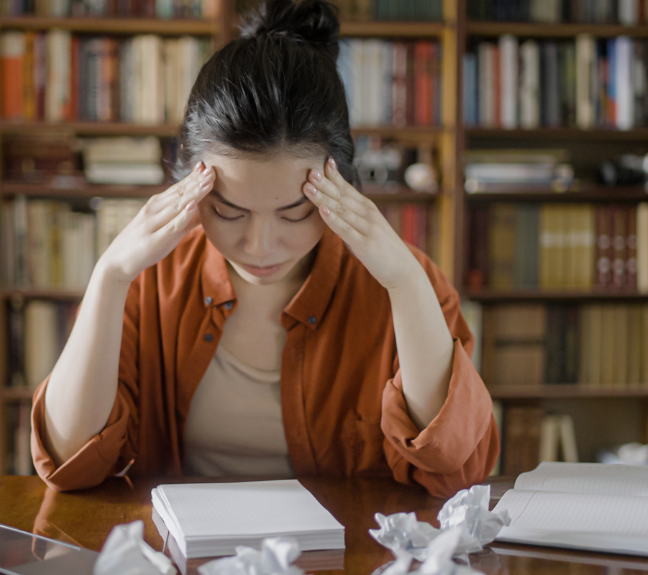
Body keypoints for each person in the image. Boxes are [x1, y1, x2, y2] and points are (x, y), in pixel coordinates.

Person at [30, 0, 498, 498]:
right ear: (190, 183)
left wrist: (405, 284)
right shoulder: (153, 279)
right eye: (229, 212)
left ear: (341, 183)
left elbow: (456, 469)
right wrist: (109, 277)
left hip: (348, 564)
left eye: (295, 213)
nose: (260, 246)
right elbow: (69, 463)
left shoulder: (406, 281)